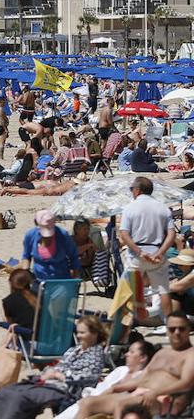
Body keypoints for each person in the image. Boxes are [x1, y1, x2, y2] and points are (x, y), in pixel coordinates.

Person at [0, 316, 110, 418]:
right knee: (6, 392)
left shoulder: (96, 354)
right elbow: (60, 365)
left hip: (67, 389)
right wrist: (49, 372)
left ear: (94, 333)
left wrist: (59, 375)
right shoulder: (76, 349)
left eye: (82, 333)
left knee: (20, 398)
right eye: (77, 332)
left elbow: (89, 378)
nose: (78, 336)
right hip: (51, 382)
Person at [76, 311, 194, 418]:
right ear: (167, 330)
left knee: (122, 406)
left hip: (162, 399)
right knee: (88, 403)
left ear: (189, 329)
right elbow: (144, 376)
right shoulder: (162, 353)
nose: (177, 333)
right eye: (172, 329)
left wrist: (156, 392)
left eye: (181, 329)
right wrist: (119, 387)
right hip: (138, 393)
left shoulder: (190, 355)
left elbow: (186, 383)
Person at [119, 175, 177, 318]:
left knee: (127, 289)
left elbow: (124, 234)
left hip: (136, 254)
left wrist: (139, 252)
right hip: (157, 251)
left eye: (132, 189)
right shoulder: (163, 208)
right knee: (163, 290)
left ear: (137, 190)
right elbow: (171, 235)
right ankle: (169, 324)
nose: (131, 191)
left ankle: (126, 326)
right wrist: (160, 252)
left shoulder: (129, 208)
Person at [54, 338, 155, 419]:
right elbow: (101, 387)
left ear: (143, 358)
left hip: (100, 406)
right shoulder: (120, 370)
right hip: (91, 400)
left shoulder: (141, 377)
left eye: (132, 352)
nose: (126, 354)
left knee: (85, 404)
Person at [22, 210, 81, 282]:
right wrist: (25, 273)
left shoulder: (63, 235)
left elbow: (74, 257)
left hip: (62, 280)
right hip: (39, 280)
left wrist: (74, 279)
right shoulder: (30, 235)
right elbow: (26, 256)